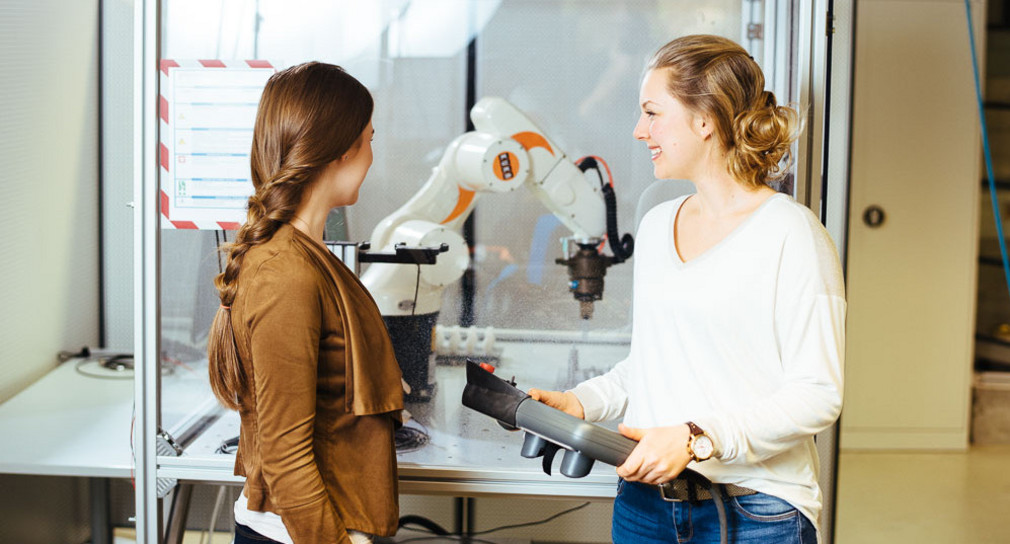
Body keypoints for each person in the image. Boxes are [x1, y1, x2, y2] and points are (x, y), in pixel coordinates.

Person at [529, 35, 844, 544]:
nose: (638, 131)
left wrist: (699, 439)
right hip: (644, 507)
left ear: (705, 120)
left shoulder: (793, 234)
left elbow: (818, 395)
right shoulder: (657, 225)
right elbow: (652, 365)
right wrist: (579, 403)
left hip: (756, 512)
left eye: (653, 113)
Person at [206, 62, 404, 544]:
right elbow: (284, 454)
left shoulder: (304, 259)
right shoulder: (286, 274)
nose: (373, 155)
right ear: (339, 150)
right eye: (370, 139)